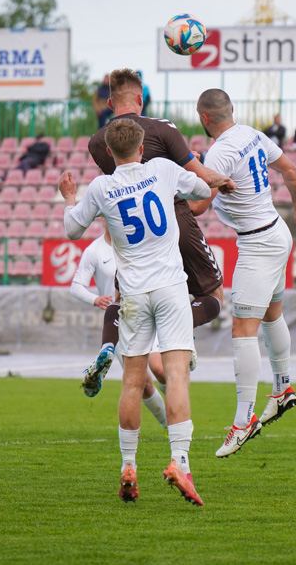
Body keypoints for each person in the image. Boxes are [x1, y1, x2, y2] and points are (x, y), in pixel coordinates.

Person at [60, 118, 226, 505]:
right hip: (170, 288)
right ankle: (179, 463)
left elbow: (71, 229)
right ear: (141, 148)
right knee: (177, 376)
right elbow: (203, 189)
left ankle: (129, 466)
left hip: (131, 294)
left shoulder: (101, 186)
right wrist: (197, 162)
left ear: (110, 153)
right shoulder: (164, 169)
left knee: (133, 382)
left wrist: (69, 196)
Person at [80, 68, 233, 398]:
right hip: (174, 221)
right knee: (214, 298)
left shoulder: (97, 142)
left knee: (123, 304)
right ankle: (176, 329)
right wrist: (223, 180)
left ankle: (110, 344)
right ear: (140, 99)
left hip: (132, 237)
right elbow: (199, 176)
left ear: (108, 103)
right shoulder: (164, 128)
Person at [196, 88, 296, 457]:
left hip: (257, 243)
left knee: (242, 330)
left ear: (204, 119)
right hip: (278, 230)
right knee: (271, 314)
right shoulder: (253, 134)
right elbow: (290, 170)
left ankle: (244, 419)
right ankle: (282, 388)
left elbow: (200, 206)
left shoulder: (219, 152)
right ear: (231, 110)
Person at [70, 218, 168, 430]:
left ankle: (179, 414)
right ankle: (171, 424)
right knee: (143, 383)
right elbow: (76, 286)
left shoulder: (137, 244)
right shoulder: (94, 251)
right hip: (120, 325)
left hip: (147, 315)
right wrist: (95, 299)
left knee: (159, 368)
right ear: (102, 217)